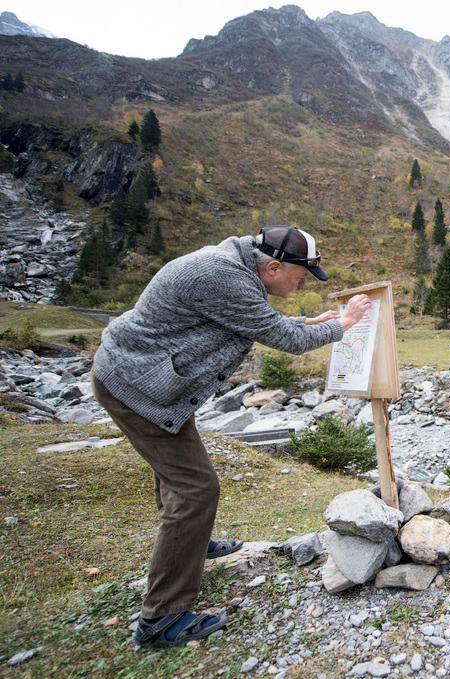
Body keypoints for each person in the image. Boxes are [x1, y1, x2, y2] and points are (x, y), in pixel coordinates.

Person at [91, 225, 371, 648]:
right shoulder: (221, 276)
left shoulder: (235, 269)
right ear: (273, 266)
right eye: (300, 277)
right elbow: (286, 339)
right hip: (137, 386)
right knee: (196, 488)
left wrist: (310, 322)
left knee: (180, 478)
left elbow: (259, 323)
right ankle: (161, 619)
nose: (302, 285)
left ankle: (190, 544)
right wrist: (344, 324)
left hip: (150, 381)